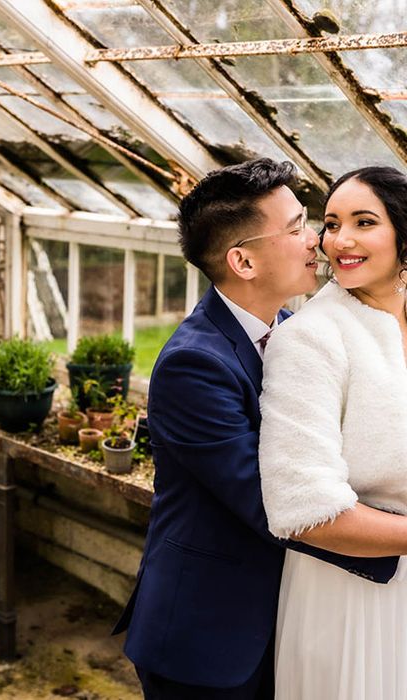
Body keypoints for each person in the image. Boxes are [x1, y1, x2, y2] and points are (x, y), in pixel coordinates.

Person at [113, 158, 400, 700]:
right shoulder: (193, 365)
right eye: (295, 228)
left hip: (287, 613)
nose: (317, 239)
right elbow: (274, 501)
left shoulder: (294, 331)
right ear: (242, 260)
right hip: (208, 632)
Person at [259, 166, 407, 699]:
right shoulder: (310, 338)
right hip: (352, 597)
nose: (339, 240)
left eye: (363, 222)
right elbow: (301, 511)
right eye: (331, 223)